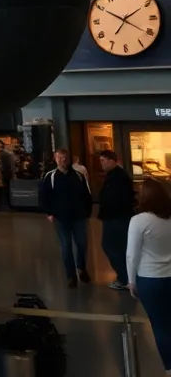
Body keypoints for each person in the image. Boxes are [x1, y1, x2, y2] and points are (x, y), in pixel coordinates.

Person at [128, 180, 171, 372]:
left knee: (161, 325)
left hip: (150, 279)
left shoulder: (139, 221)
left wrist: (131, 281)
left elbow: (132, 255)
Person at [39, 148, 93, 287]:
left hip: (78, 216)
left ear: (69, 159)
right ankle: (71, 275)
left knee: (82, 243)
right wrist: (49, 213)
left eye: (65, 158)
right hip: (61, 218)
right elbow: (44, 196)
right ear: (56, 159)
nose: (63, 161)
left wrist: (87, 212)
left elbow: (86, 195)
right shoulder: (50, 177)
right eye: (60, 158)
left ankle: (81, 267)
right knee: (66, 245)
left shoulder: (78, 176)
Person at [98, 149, 135, 291]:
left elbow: (116, 199)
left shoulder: (118, 177)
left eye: (103, 160)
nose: (101, 164)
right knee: (116, 247)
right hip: (115, 218)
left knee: (113, 247)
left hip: (116, 219)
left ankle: (124, 278)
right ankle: (125, 277)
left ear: (111, 160)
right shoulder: (115, 175)